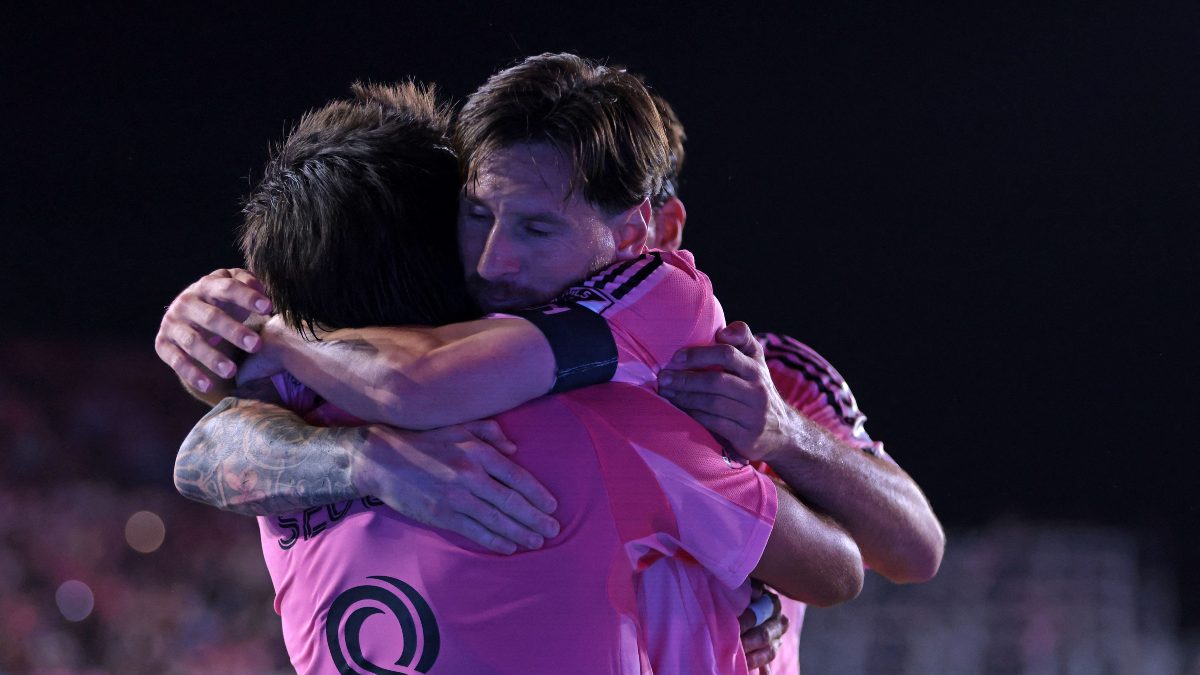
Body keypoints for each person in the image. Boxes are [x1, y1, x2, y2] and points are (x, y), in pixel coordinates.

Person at [156, 53, 942, 671]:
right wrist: (352, 439)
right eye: (475, 214)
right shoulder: (372, 384)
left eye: (536, 230)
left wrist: (781, 438)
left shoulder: (738, 376)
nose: (495, 260)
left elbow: (908, 550)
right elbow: (207, 448)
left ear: (652, 234)